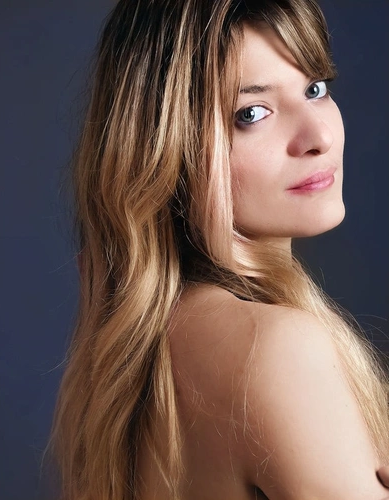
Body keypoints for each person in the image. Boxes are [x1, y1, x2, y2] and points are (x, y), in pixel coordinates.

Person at [50, 0, 389, 498]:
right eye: (251, 113)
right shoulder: (274, 348)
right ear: (167, 146)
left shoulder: (143, 349)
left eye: (315, 89)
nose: (318, 136)